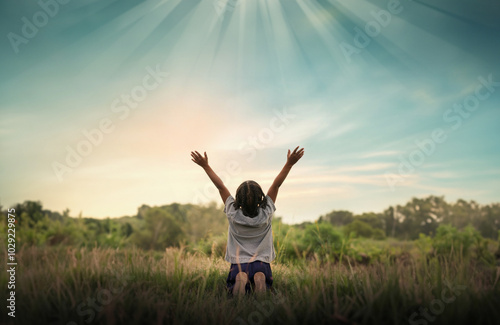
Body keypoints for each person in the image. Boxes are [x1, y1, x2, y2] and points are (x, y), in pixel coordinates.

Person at [191, 146, 305, 296]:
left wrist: (205, 166)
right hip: (261, 263)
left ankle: (240, 280)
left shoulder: (233, 212)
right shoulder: (266, 212)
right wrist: (289, 164)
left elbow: (220, 187)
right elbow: (276, 185)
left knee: (239, 277)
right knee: (260, 277)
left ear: (238, 198)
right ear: (261, 198)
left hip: (239, 263)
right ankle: (259, 279)